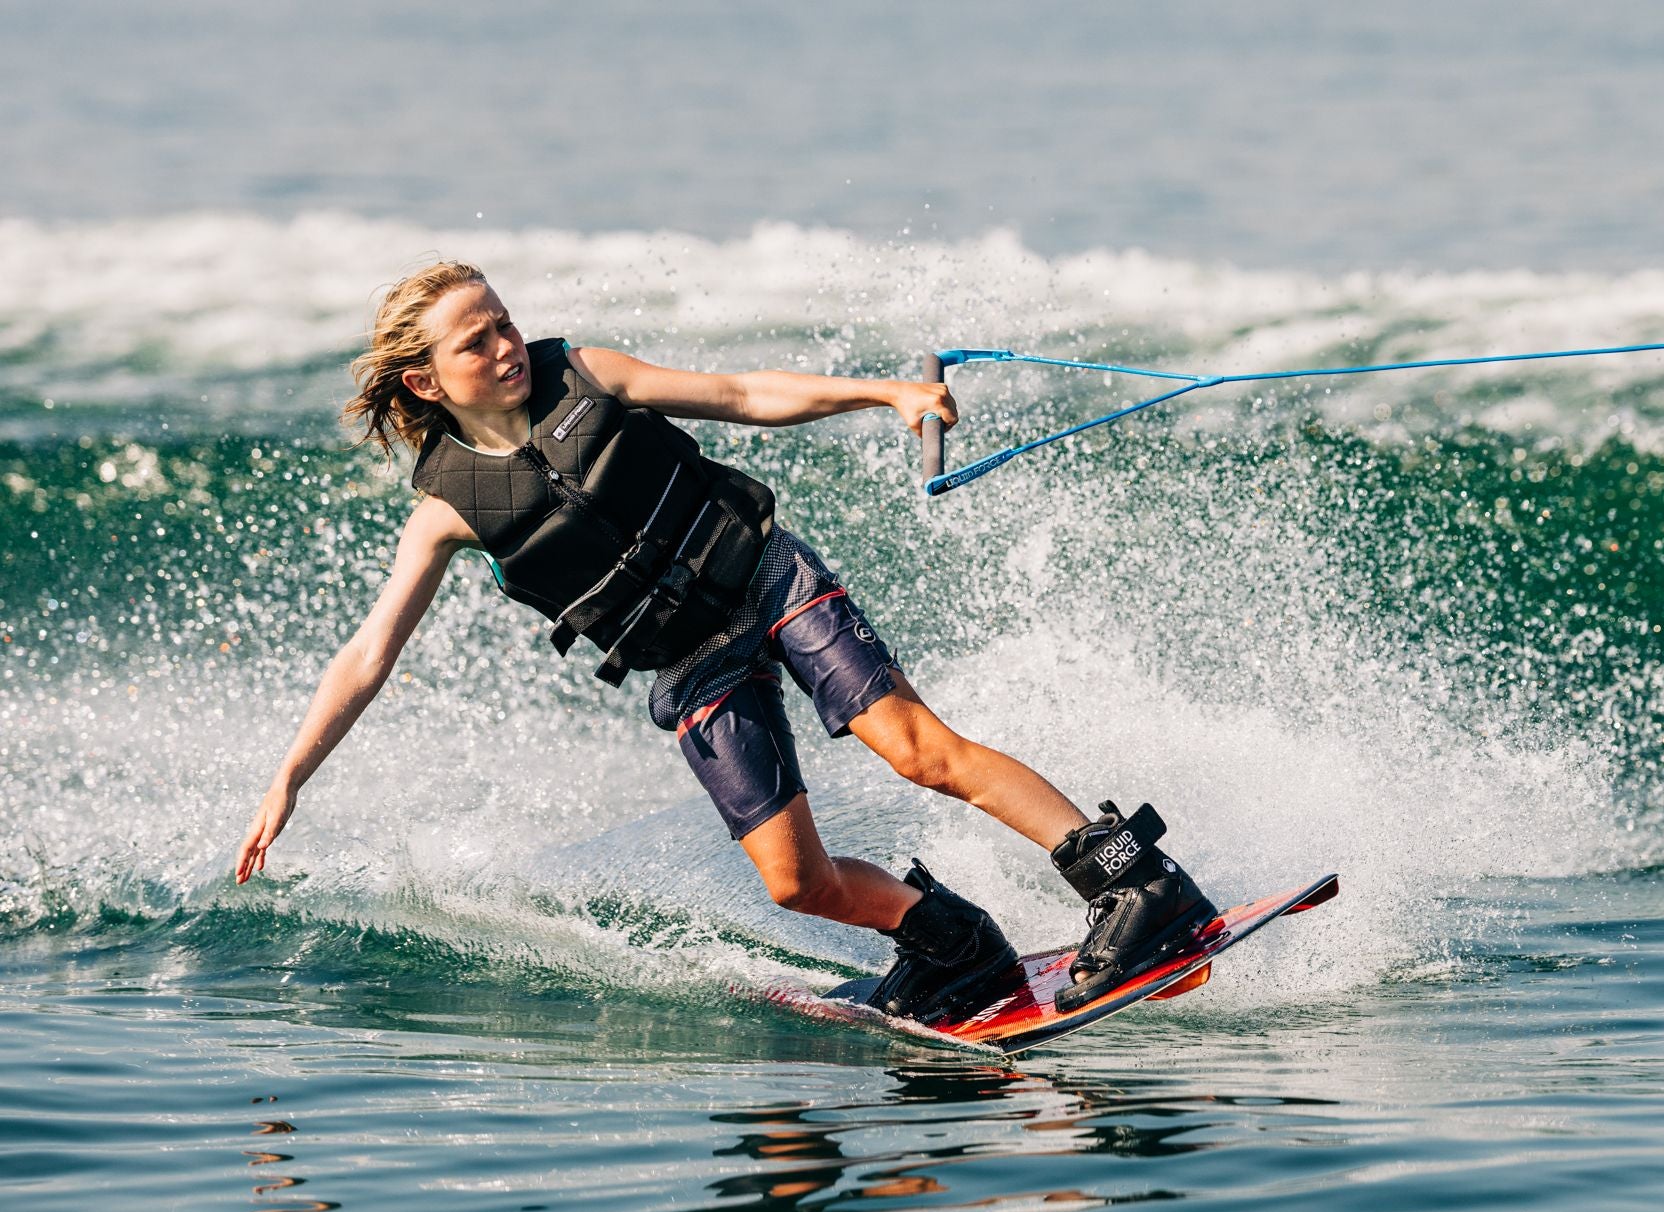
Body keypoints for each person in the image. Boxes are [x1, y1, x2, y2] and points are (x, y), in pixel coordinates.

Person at [234, 260, 1216, 1021]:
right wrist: (288, 778)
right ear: (424, 379)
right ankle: (953, 944)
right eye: (475, 340)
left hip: (764, 577)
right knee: (796, 882)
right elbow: (368, 656)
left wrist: (886, 394)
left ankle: (1134, 881)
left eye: (503, 322)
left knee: (919, 749)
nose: (504, 345)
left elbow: (743, 393)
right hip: (689, 659)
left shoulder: (587, 374)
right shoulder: (448, 509)